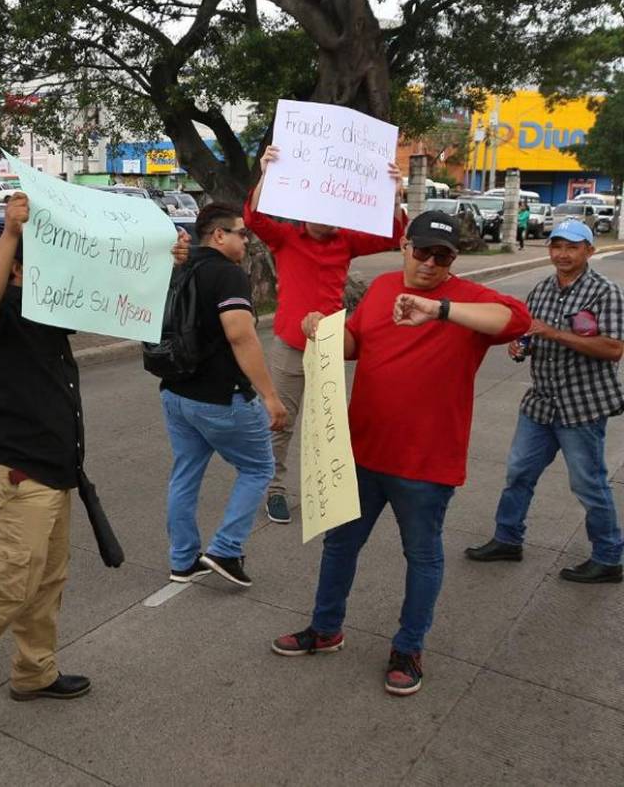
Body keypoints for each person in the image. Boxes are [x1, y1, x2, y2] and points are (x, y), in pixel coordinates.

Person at [0, 193, 188, 742]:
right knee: (13, 584)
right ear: (18, 269)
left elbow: (119, 291)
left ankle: (33, 672)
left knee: (46, 583)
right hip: (13, 472)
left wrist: (165, 258)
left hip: (55, 472)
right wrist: (11, 235)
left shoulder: (49, 316)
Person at [271, 210, 530, 696]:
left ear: (452, 261)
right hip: (364, 451)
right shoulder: (385, 286)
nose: (431, 263)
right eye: (423, 251)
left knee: (422, 557)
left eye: (443, 256)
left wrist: (441, 310)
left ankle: (408, 648)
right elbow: (355, 345)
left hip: (425, 464)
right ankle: (325, 629)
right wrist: (321, 330)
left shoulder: (468, 300)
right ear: (406, 247)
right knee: (340, 547)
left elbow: (516, 320)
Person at [245, 146, 405, 524]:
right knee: (281, 420)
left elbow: (393, 236)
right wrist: (265, 173)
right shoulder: (286, 238)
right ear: (304, 209)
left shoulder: (346, 240)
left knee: (326, 421)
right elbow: (253, 218)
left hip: (331, 346)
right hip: (288, 343)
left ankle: (324, 486)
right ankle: (276, 489)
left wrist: (395, 195)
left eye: (334, 210)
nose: (326, 218)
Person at [466, 219, 623, 583]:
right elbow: (528, 335)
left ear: (589, 251)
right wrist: (521, 346)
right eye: (557, 246)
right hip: (540, 403)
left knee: (588, 483)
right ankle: (507, 539)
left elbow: (614, 349)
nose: (562, 254)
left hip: (581, 406)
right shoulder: (541, 290)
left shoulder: (605, 293)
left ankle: (609, 557)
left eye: (572, 247)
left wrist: (551, 332)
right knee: (519, 472)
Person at [160, 203, 288, 587]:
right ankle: (225, 550)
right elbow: (240, 334)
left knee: (185, 473)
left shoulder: (180, 265)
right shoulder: (228, 275)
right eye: (241, 233)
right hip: (220, 396)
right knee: (259, 468)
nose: (246, 241)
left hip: (175, 391)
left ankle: (182, 560)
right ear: (218, 235)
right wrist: (269, 395)